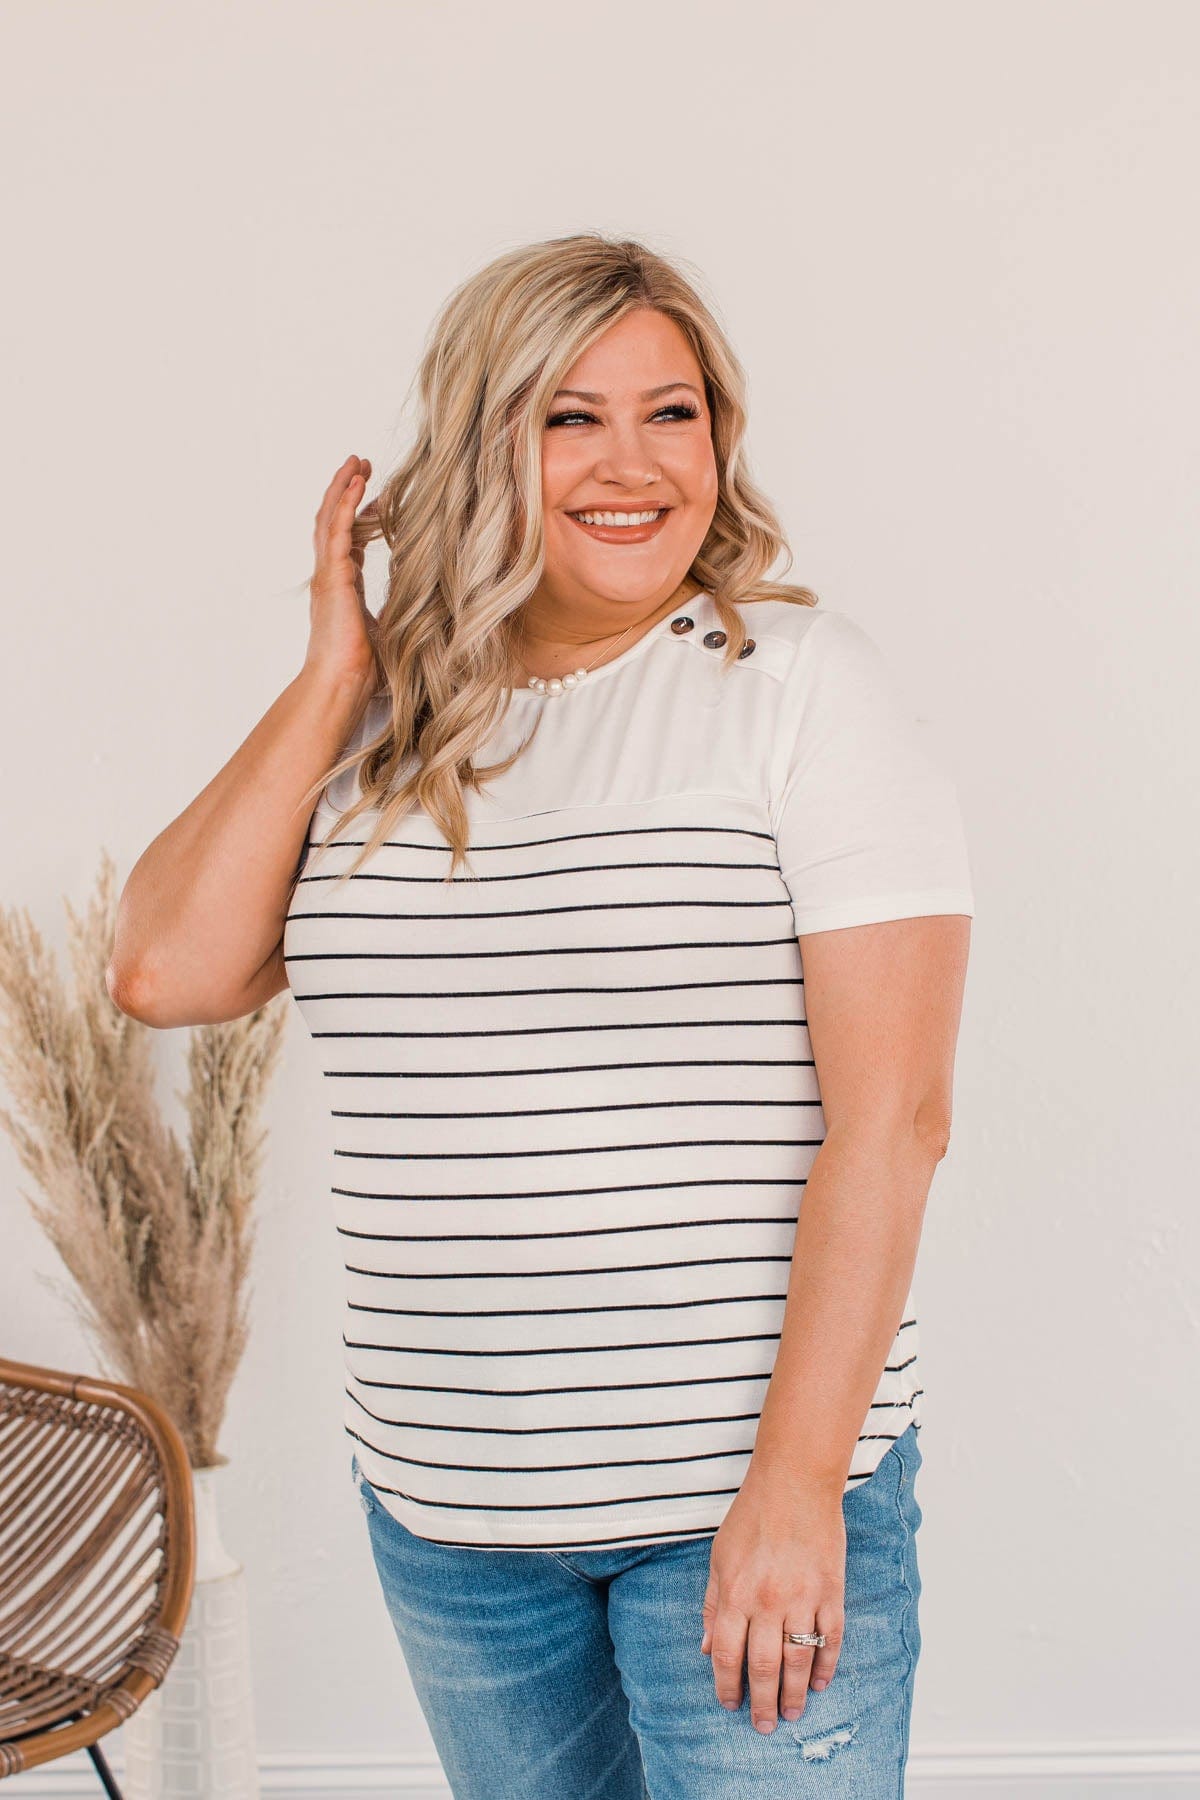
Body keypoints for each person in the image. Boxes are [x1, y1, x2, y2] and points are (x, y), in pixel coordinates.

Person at [109, 233, 974, 1797]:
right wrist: (335, 673)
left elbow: (896, 1123)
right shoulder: (382, 728)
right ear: (481, 442)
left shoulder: (795, 686)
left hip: (741, 1499)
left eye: (672, 413)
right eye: (570, 417)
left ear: (720, 437)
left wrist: (796, 1490)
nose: (632, 464)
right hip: (456, 1520)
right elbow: (165, 971)